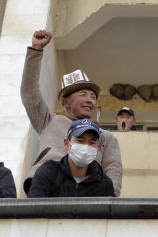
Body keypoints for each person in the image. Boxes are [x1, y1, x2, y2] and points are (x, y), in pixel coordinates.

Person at [20, 29, 122, 195]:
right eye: (83, 95)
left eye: (93, 96)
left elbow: (113, 169)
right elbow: (29, 92)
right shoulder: (49, 121)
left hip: (87, 192)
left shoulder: (107, 137)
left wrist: (109, 202)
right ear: (66, 102)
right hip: (47, 189)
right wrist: (36, 51)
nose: (90, 100)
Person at [27, 119, 115, 198]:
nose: (85, 147)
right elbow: (33, 211)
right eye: (80, 141)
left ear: (98, 148)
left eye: (91, 142)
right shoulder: (48, 173)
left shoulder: (104, 185)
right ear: (66, 144)